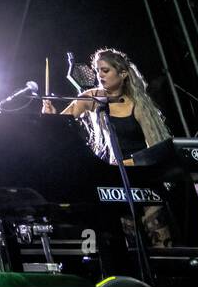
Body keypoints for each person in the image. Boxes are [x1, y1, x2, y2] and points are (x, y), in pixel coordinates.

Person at [43, 47, 173, 246]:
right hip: (115, 177)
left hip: (142, 175)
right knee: (129, 241)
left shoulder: (137, 105)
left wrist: (130, 162)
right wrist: (50, 116)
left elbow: (156, 149)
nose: (100, 76)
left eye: (105, 71)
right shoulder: (93, 97)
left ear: (122, 74)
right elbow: (60, 127)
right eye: (97, 71)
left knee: (159, 240)